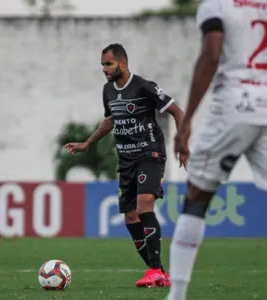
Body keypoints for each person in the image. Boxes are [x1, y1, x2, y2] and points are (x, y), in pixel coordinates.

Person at [167, 0, 267, 299]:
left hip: (231, 109)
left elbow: (211, 55)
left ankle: (176, 295)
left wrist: (187, 119)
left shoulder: (217, 5)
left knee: (196, 202)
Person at [64, 43, 186, 288]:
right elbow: (110, 121)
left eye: (108, 64)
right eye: (102, 65)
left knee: (144, 207)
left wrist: (183, 143)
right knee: (131, 217)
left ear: (122, 63)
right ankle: (159, 272)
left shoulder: (144, 87)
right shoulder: (108, 90)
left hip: (150, 154)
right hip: (126, 160)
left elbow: (176, 111)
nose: (104, 69)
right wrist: (87, 143)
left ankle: (153, 271)